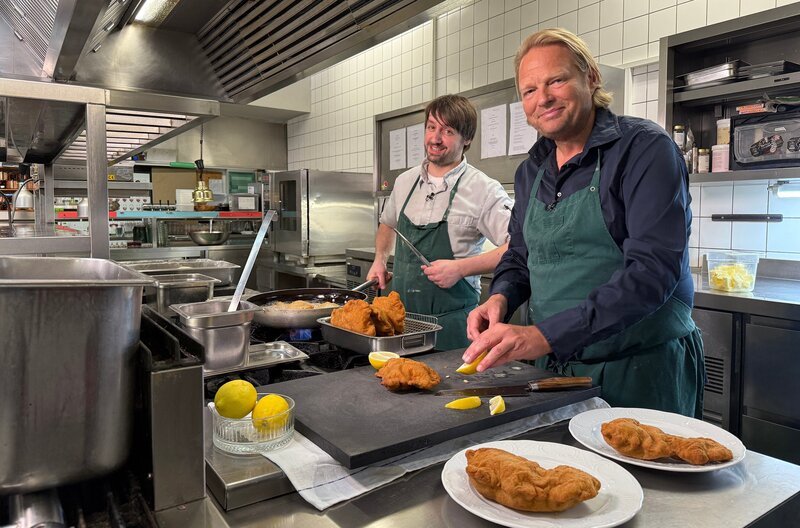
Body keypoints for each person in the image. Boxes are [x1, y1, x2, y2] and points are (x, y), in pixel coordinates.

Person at [463, 28, 705, 417]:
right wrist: (500, 297)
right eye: (529, 90)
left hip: (638, 371)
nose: (542, 98)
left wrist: (544, 335)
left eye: (556, 80)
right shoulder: (531, 170)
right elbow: (521, 255)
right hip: (555, 371)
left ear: (590, 77)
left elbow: (651, 272)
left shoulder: (644, 150)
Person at [368, 94, 513, 350]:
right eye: (431, 127)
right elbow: (388, 223)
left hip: (452, 329)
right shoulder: (404, 182)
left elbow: (517, 248)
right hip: (401, 324)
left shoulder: (484, 189)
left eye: (447, 131)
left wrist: (461, 268)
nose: (435, 139)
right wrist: (379, 260)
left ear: (466, 139)